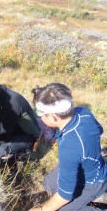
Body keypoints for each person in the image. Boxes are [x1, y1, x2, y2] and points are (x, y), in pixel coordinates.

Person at [29, 83, 107, 211]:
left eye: (41, 114)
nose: (40, 117)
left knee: (59, 207)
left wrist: (42, 209)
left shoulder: (69, 147)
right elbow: (99, 129)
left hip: (93, 183)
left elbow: (64, 195)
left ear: (53, 117)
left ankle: (98, 203)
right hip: (90, 164)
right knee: (49, 184)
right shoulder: (83, 112)